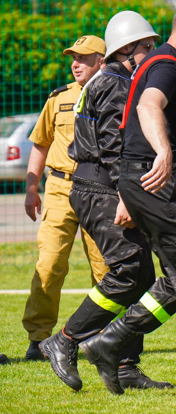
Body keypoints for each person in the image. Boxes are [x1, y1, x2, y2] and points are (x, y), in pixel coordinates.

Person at [76, 0, 176, 396]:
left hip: (142, 180)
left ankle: (110, 343)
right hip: (156, 178)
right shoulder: (167, 65)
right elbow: (150, 106)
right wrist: (164, 152)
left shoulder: (157, 62)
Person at [40, 10, 172, 392]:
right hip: (103, 190)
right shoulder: (114, 85)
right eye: (146, 47)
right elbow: (115, 150)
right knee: (128, 271)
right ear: (126, 49)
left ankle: (126, 364)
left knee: (143, 277)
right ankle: (64, 340)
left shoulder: (110, 79)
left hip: (97, 188)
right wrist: (127, 196)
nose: (150, 52)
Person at [22, 35, 109, 362]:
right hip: (59, 188)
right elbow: (41, 143)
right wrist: (31, 189)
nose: (75, 63)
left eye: (84, 58)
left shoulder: (113, 94)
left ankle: (103, 336)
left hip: (100, 189)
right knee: (50, 263)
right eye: (73, 57)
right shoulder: (57, 99)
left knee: (105, 265)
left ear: (101, 60)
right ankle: (38, 339)